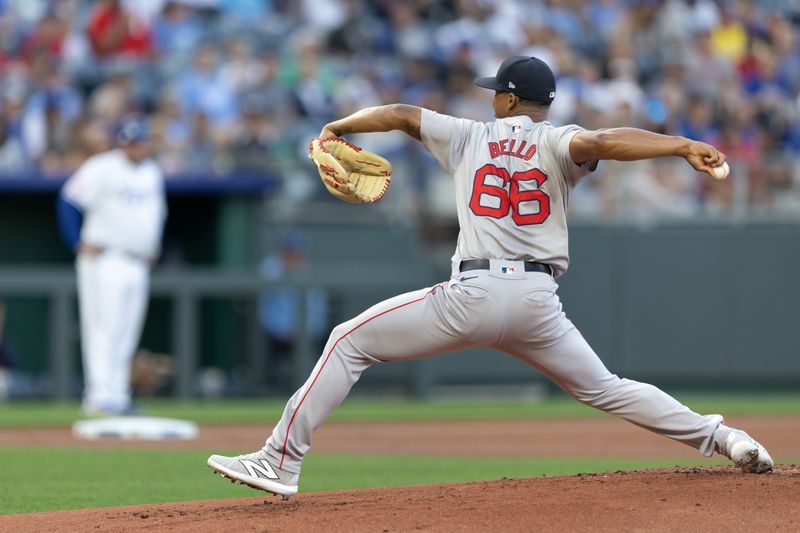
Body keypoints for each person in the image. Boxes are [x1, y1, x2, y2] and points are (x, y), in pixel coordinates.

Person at [207, 56, 773, 498]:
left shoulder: (468, 135)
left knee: (348, 340)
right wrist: (682, 145)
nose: (491, 98)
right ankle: (722, 437)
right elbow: (603, 142)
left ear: (506, 98)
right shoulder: (557, 139)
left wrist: (337, 126)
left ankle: (279, 460)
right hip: (536, 301)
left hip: (472, 296)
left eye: (494, 91)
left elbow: (401, 114)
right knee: (607, 389)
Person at [57, 116, 166, 416]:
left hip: (138, 261)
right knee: (103, 328)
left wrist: (151, 247)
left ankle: (118, 394)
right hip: (105, 258)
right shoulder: (102, 166)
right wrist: (76, 242)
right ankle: (98, 396)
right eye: (129, 141)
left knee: (127, 332)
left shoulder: (152, 172)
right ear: (122, 143)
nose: (135, 146)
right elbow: (67, 201)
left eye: (139, 140)